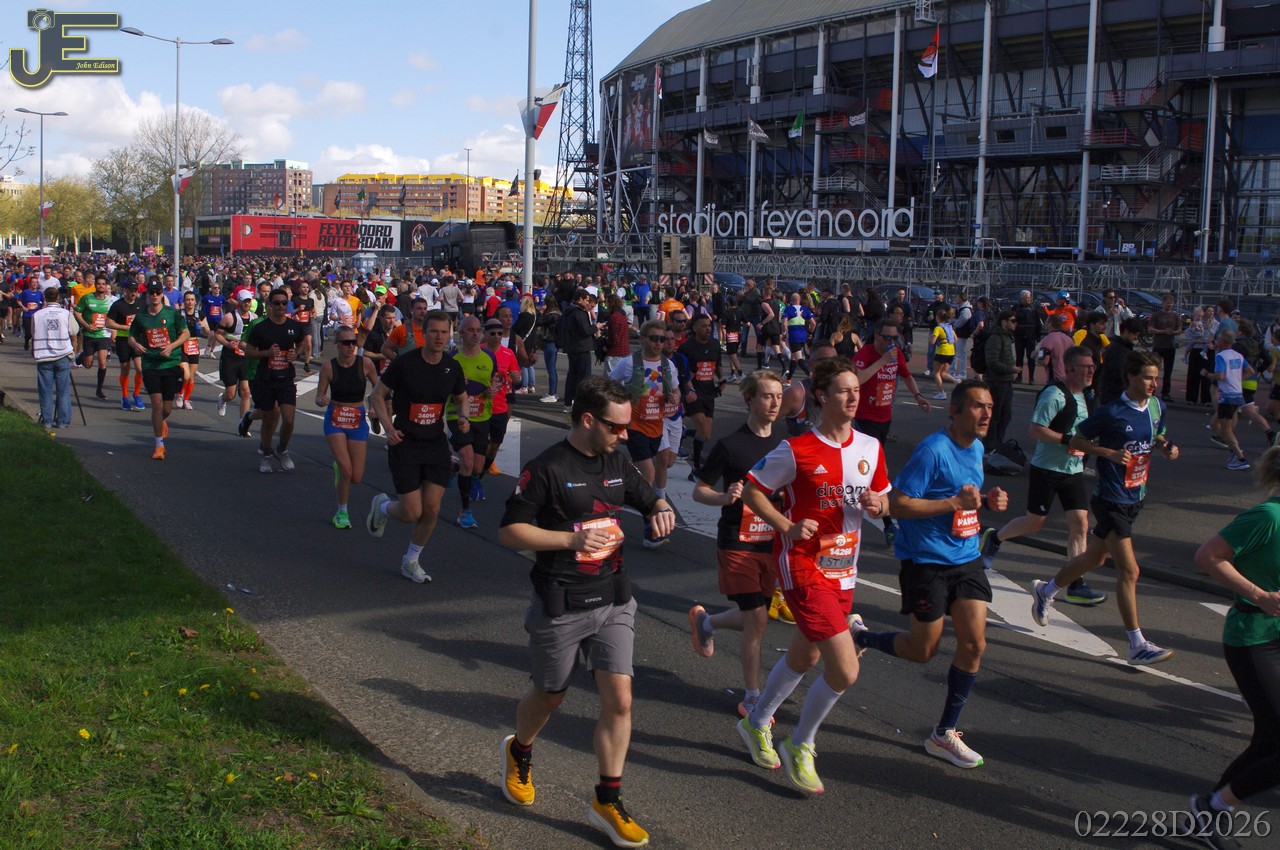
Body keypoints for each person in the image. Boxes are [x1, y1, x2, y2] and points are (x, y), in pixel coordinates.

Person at [497, 376, 675, 848]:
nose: (625, 434)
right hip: (562, 601)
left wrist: (660, 506)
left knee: (620, 700)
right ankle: (519, 750)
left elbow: (646, 495)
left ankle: (606, 800)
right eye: (617, 427)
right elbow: (510, 531)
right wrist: (570, 539)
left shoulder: (617, 461)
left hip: (614, 598)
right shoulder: (548, 468)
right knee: (549, 696)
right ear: (589, 420)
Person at [735, 357, 891, 794]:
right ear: (822, 396)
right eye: (844, 390)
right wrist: (785, 526)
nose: (854, 396)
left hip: (845, 569)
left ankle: (756, 722)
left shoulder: (870, 447)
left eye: (857, 389)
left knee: (805, 658)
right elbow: (753, 491)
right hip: (803, 565)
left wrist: (879, 505)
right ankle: (800, 743)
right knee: (845, 670)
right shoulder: (798, 449)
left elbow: (883, 497)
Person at [852, 380, 1008, 770]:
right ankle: (861, 636)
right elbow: (899, 505)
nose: (986, 414)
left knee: (974, 645)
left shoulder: (977, 448)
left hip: (966, 558)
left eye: (989, 407)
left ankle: (944, 733)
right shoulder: (933, 450)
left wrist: (986, 501)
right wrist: (955, 502)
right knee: (923, 650)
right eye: (978, 406)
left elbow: (963, 498)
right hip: (926, 563)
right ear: (955, 411)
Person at [1029, 352, 1181, 664]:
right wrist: (1108, 453)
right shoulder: (1111, 412)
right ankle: (1136, 645)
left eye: (1156, 377)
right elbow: (1078, 440)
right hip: (1111, 499)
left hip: (1136, 495)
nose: (1154, 384)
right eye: (1148, 377)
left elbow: (1158, 433)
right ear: (1131, 377)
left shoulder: (1156, 406)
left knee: (1094, 557)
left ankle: (1046, 591)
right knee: (1130, 570)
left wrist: (1166, 447)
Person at [1186, 446, 1280, 848]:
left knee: (1270, 740)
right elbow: (1207, 556)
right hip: (1253, 637)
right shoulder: (1268, 517)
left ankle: (1209, 812)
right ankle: (1212, 807)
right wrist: (1259, 594)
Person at [688, 370, 786, 718]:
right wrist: (724, 497)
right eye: (767, 396)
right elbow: (699, 490)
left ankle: (707, 623)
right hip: (737, 541)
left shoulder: (786, 445)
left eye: (779, 396)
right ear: (749, 399)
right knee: (757, 618)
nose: (774, 403)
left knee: (755, 618)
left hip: (772, 543)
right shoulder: (731, 445)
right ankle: (753, 697)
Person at [980, 347, 1108, 606]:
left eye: (1092, 366)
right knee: (1034, 523)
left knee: (1080, 524)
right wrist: (1067, 440)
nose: (1091, 370)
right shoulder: (1054, 395)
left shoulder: (1085, 396)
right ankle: (995, 538)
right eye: (1085, 367)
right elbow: (1036, 430)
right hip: (1046, 469)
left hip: (1072, 470)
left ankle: (1076, 583)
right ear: (1070, 369)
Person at [367, 310, 469, 582]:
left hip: (435, 444)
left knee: (432, 508)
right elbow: (377, 395)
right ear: (424, 333)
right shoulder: (405, 363)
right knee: (411, 512)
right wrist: (389, 429)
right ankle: (383, 507)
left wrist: (464, 417)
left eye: (444, 332)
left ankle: (411, 560)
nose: (439, 337)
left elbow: (462, 398)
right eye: (434, 331)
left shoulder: (452, 367)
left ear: (450, 334)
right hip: (405, 442)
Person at [852, 318, 932, 546]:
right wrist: (883, 361)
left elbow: (907, 376)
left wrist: (918, 396)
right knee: (880, 468)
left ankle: (859, 496)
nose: (891, 342)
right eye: (886, 337)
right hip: (864, 418)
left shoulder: (896, 354)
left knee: (869, 469)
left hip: (884, 418)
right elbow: (856, 380)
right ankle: (888, 524)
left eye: (895, 338)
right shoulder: (866, 354)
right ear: (876, 336)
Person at [316, 326, 380, 529]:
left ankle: (341, 469)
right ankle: (342, 512)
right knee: (346, 470)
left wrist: (374, 407)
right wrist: (321, 400)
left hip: (357, 419)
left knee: (356, 477)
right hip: (335, 418)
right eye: (346, 343)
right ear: (336, 345)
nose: (351, 346)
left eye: (353, 342)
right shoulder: (329, 367)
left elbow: (379, 389)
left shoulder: (365, 364)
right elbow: (319, 396)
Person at [243, 288, 310, 473]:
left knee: (288, 419)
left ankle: (282, 449)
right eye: (277, 303)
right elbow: (248, 352)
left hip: (286, 378)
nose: (281, 306)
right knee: (269, 418)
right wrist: (267, 353)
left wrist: (296, 353)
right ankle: (266, 454)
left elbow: (302, 343)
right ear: (270, 305)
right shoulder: (261, 328)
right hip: (266, 378)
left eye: (284, 303)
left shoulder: (294, 326)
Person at [128, 282, 189, 460]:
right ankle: (159, 445)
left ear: (162, 294)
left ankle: (161, 420)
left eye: (157, 292)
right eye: (151, 292)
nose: (154, 295)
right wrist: (136, 345)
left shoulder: (172, 314)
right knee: (156, 403)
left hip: (170, 363)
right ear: (147, 294)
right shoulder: (141, 316)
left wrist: (171, 346)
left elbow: (185, 333)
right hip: (150, 364)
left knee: (167, 408)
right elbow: (131, 336)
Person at [446, 315, 497, 525]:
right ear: (461, 334)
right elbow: (441, 390)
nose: (475, 334)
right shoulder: (452, 360)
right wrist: (455, 385)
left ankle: (454, 467)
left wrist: (492, 391)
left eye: (478, 330)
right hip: (457, 416)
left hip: (482, 416)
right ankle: (465, 511)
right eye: (470, 330)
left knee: (477, 468)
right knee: (468, 461)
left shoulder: (489, 357)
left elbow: (492, 382)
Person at [678, 313, 724, 480]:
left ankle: (683, 432)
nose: (708, 329)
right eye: (703, 326)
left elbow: (718, 365)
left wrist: (721, 378)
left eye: (709, 325)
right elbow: (680, 372)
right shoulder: (686, 348)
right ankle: (696, 468)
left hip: (709, 392)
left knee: (706, 435)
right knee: (703, 430)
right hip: (693, 393)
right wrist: (686, 386)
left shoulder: (715, 344)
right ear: (695, 328)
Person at [1207, 328, 1255, 471]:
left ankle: (1240, 457)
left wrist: (1207, 374)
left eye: (1219, 339)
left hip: (1227, 396)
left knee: (1226, 430)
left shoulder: (1221, 356)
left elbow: (1219, 376)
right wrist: (1238, 379)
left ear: (1222, 341)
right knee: (1214, 424)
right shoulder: (1238, 355)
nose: (1217, 341)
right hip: (1237, 395)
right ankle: (1233, 449)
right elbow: (1250, 371)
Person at [31, 285, 77, 431]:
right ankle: (62, 421)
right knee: (63, 390)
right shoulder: (65, 313)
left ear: (45, 298)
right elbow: (74, 330)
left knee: (45, 390)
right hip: (62, 354)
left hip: (44, 355)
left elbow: (33, 332)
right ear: (58, 298)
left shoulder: (37, 315)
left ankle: (47, 421)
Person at [481, 317, 523, 477]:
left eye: (500, 333)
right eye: (492, 333)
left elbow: (517, 376)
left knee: (495, 444)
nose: (497, 336)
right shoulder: (478, 351)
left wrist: (517, 377)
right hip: (480, 407)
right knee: (480, 444)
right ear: (485, 334)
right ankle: (477, 474)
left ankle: (483, 467)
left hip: (500, 407)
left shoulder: (508, 353)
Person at [106, 278, 145, 411]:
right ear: (125, 290)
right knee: (125, 368)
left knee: (140, 368)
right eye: (131, 291)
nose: (133, 293)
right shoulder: (118, 305)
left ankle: (137, 394)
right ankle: (124, 396)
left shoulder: (141, 304)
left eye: (135, 291)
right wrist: (124, 327)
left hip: (138, 340)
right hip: (123, 340)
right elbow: (108, 322)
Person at [215, 291, 254, 421]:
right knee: (231, 394)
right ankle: (223, 399)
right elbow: (218, 334)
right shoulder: (229, 317)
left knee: (246, 391)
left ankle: (243, 423)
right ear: (239, 302)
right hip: (230, 357)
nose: (246, 304)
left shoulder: (254, 318)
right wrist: (227, 344)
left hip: (245, 358)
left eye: (248, 301)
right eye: (244, 301)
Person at [982, 310, 1018, 451]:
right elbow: (992, 362)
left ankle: (998, 445)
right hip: (996, 382)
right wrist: (1011, 369)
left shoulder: (1007, 337)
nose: (1015, 324)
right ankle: (990, 446)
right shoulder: (996, 338)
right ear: (1004, 322)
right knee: (995, 416)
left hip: (1006, 381)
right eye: (1013, 321)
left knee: (1006, 415)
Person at [74, 275, 113, 400]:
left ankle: (99, 390)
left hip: (103, 335)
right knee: (88, 365)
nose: (101, 286)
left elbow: (113, 318)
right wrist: (86, 325)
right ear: (95, 285)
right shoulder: (87, 298)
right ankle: (82, 356)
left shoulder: (110, 301)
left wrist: (113, 332)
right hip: (89, 334)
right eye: (99, 283)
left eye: (103, 284)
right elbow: (77, 312)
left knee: (102, 362)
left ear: (106, 286)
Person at [560, 289, 596, 411]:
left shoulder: (568, 311)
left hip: (572, 348)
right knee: (584, 377)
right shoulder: (579, 313)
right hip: (582, 348)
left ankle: (568, 403)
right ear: (580, 299)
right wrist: (596, 327)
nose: (587, 303)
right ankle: (581, 404)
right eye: (586, 300)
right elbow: (586, 330)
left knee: (572, 376)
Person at [1098, 318, 1142, 406]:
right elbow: (1118, 373)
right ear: (1126, 331)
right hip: (1115, 394)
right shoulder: (1119, 350)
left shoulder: (1117, 346)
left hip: (1113, 393)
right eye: (1134, 334)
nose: (1136, 338)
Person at [1150, 294, 1181, 402]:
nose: (1169, 305)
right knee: (1154, 368)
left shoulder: (1175, 316)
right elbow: (1150, 329)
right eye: (1168, 302)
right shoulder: (1156, 315)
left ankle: (1166, 392)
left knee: (1168, 370)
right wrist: (1162, 331)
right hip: (1158, 345)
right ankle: (1151, 390)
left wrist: (1173, 332)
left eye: (1171, 303)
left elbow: (1180, 329)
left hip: (1170, 346)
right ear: (1163, 303)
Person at [1013, 290, 1044, 383]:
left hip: (1031, 336)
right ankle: (1019, 376)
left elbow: (1038, 323)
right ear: (1022, 298)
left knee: (1031, 357)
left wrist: (1038, 336)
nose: (1029, 299)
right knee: (1019, 357)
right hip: (1019, 336)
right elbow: (1012, 321)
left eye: (1030, 297)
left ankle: (1031, 378)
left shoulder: (1034, 308)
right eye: (1027, 297)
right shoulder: (1016, 308)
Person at [930, 307, 958, 398]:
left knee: (936, 373)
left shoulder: (938, 328)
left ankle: (942, 393)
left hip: (942, 351)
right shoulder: (949, 327)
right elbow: (956, 339)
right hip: (951, 351)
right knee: (944, 373)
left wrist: (932, 337)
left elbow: (932, 342)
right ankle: (955, 381)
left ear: (937, 317)